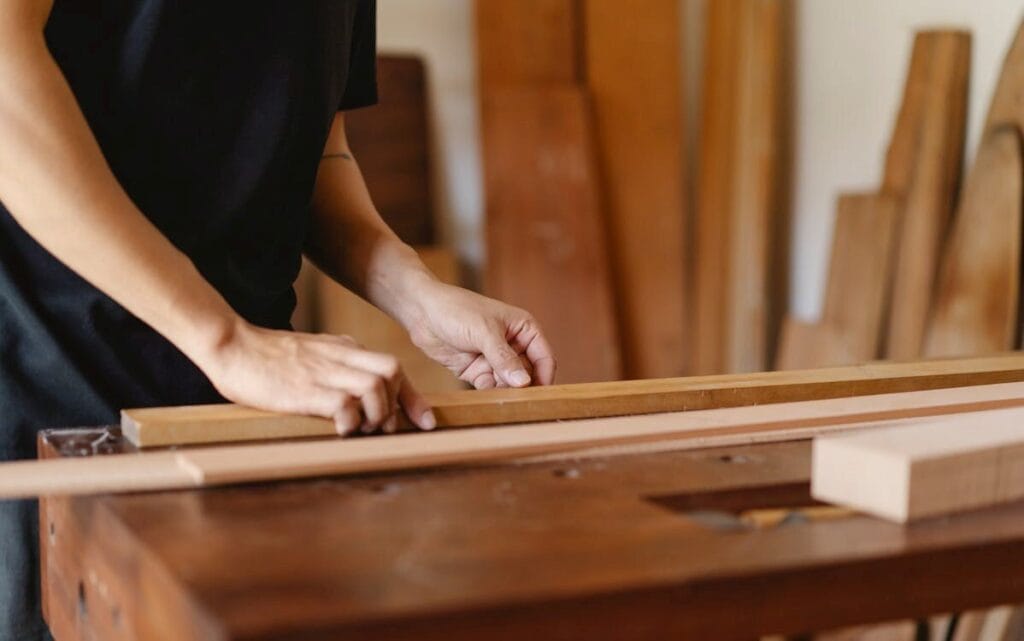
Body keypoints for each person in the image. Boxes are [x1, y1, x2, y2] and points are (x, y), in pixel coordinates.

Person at [0, 1, 556, 638]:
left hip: (249, 418)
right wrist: (225, 340)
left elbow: (316, 152)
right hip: (48, 406)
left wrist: (416, 293)